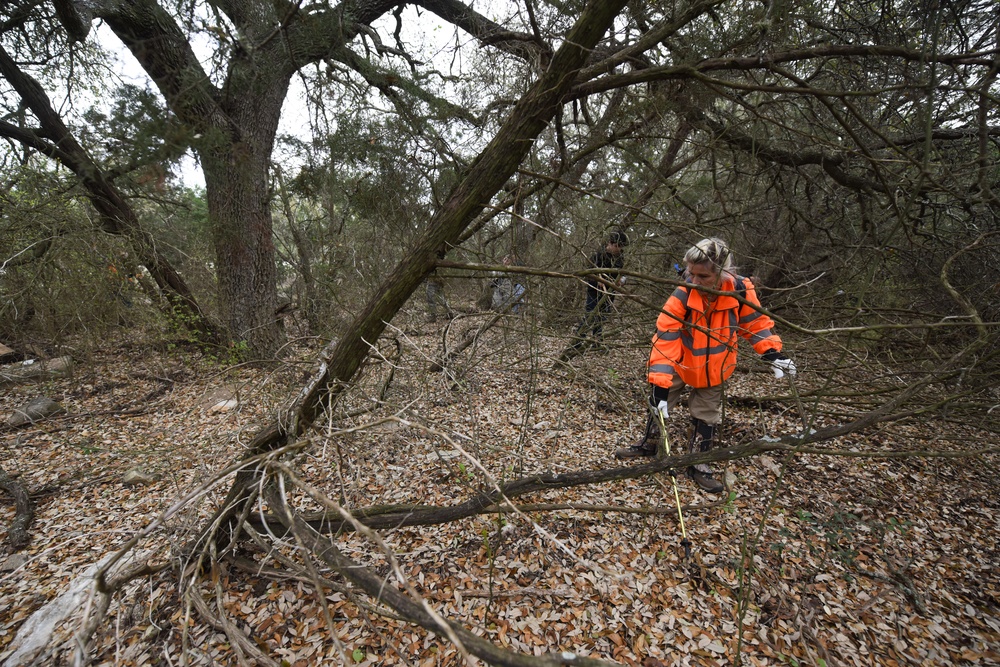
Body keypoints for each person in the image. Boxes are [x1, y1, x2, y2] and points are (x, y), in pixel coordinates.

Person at [614, 237, 796, 494]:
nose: (695, 281)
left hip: (717, 365)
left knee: (707, 414)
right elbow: (666, 336)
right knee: (660, 403)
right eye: (691, 273)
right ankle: (650, 444)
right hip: (680, 362)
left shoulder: (741, 291)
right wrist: (659, 385)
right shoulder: (683, 293)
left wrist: (772, 354)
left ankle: (699, 464)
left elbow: (755, 324)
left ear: (723, 273)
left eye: (703, 276)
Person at [564, 230, 628, 354]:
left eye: (620, 247)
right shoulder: (599, 255)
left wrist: (622, 280)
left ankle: (597, 342)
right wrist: (597, 279)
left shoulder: (620, 258)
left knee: (602, 318)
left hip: (609, 293)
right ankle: (577, 342)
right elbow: (588, 272)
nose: (618, 249)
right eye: (616, 246)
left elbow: (622, 273)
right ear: (610, 243)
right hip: (594, 291)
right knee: (590, 315)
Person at [425, 249, 456, 323]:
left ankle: (433, 316)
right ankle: (449, 312)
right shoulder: (443, 262)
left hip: (433, 282)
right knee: (441, 299)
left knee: (431, 299)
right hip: (438, 282)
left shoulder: (436, 262)